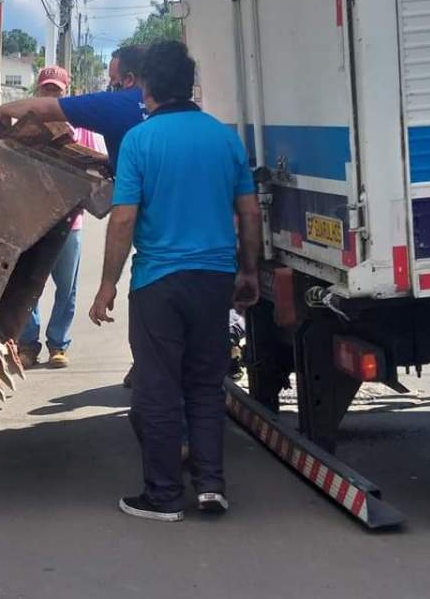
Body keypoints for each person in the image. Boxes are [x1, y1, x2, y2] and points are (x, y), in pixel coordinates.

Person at [88, 41, 261, 522]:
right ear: (189, 85)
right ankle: (210, 485)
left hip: (159, 284)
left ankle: (164, 496)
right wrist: (248, 270)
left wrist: (107, 284)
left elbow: (124, 218)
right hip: (215, 279)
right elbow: (250, 213)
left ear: (146, 87)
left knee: (159, 388)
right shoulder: (224, 139)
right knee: (206, 384)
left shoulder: (140, 141)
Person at [17, 66, 106, 370]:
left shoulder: (84, 130)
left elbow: (99, 169)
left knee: (66, 287)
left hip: (70, 221)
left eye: (56, 90)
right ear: (38, 90)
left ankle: (58, 344)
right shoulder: (25, 126)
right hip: (32, 219)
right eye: (46, 88)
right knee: (28, 285)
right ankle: (28, 345)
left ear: (66, 93)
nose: (50, 94)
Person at [0, 45, 148, 173]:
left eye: (113, 79)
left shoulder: (114, 104)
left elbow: (46, 109)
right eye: (46, 89)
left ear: (129, 79)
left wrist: (3, 110)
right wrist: (111, 161)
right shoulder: (158, 106)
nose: (111, 84)